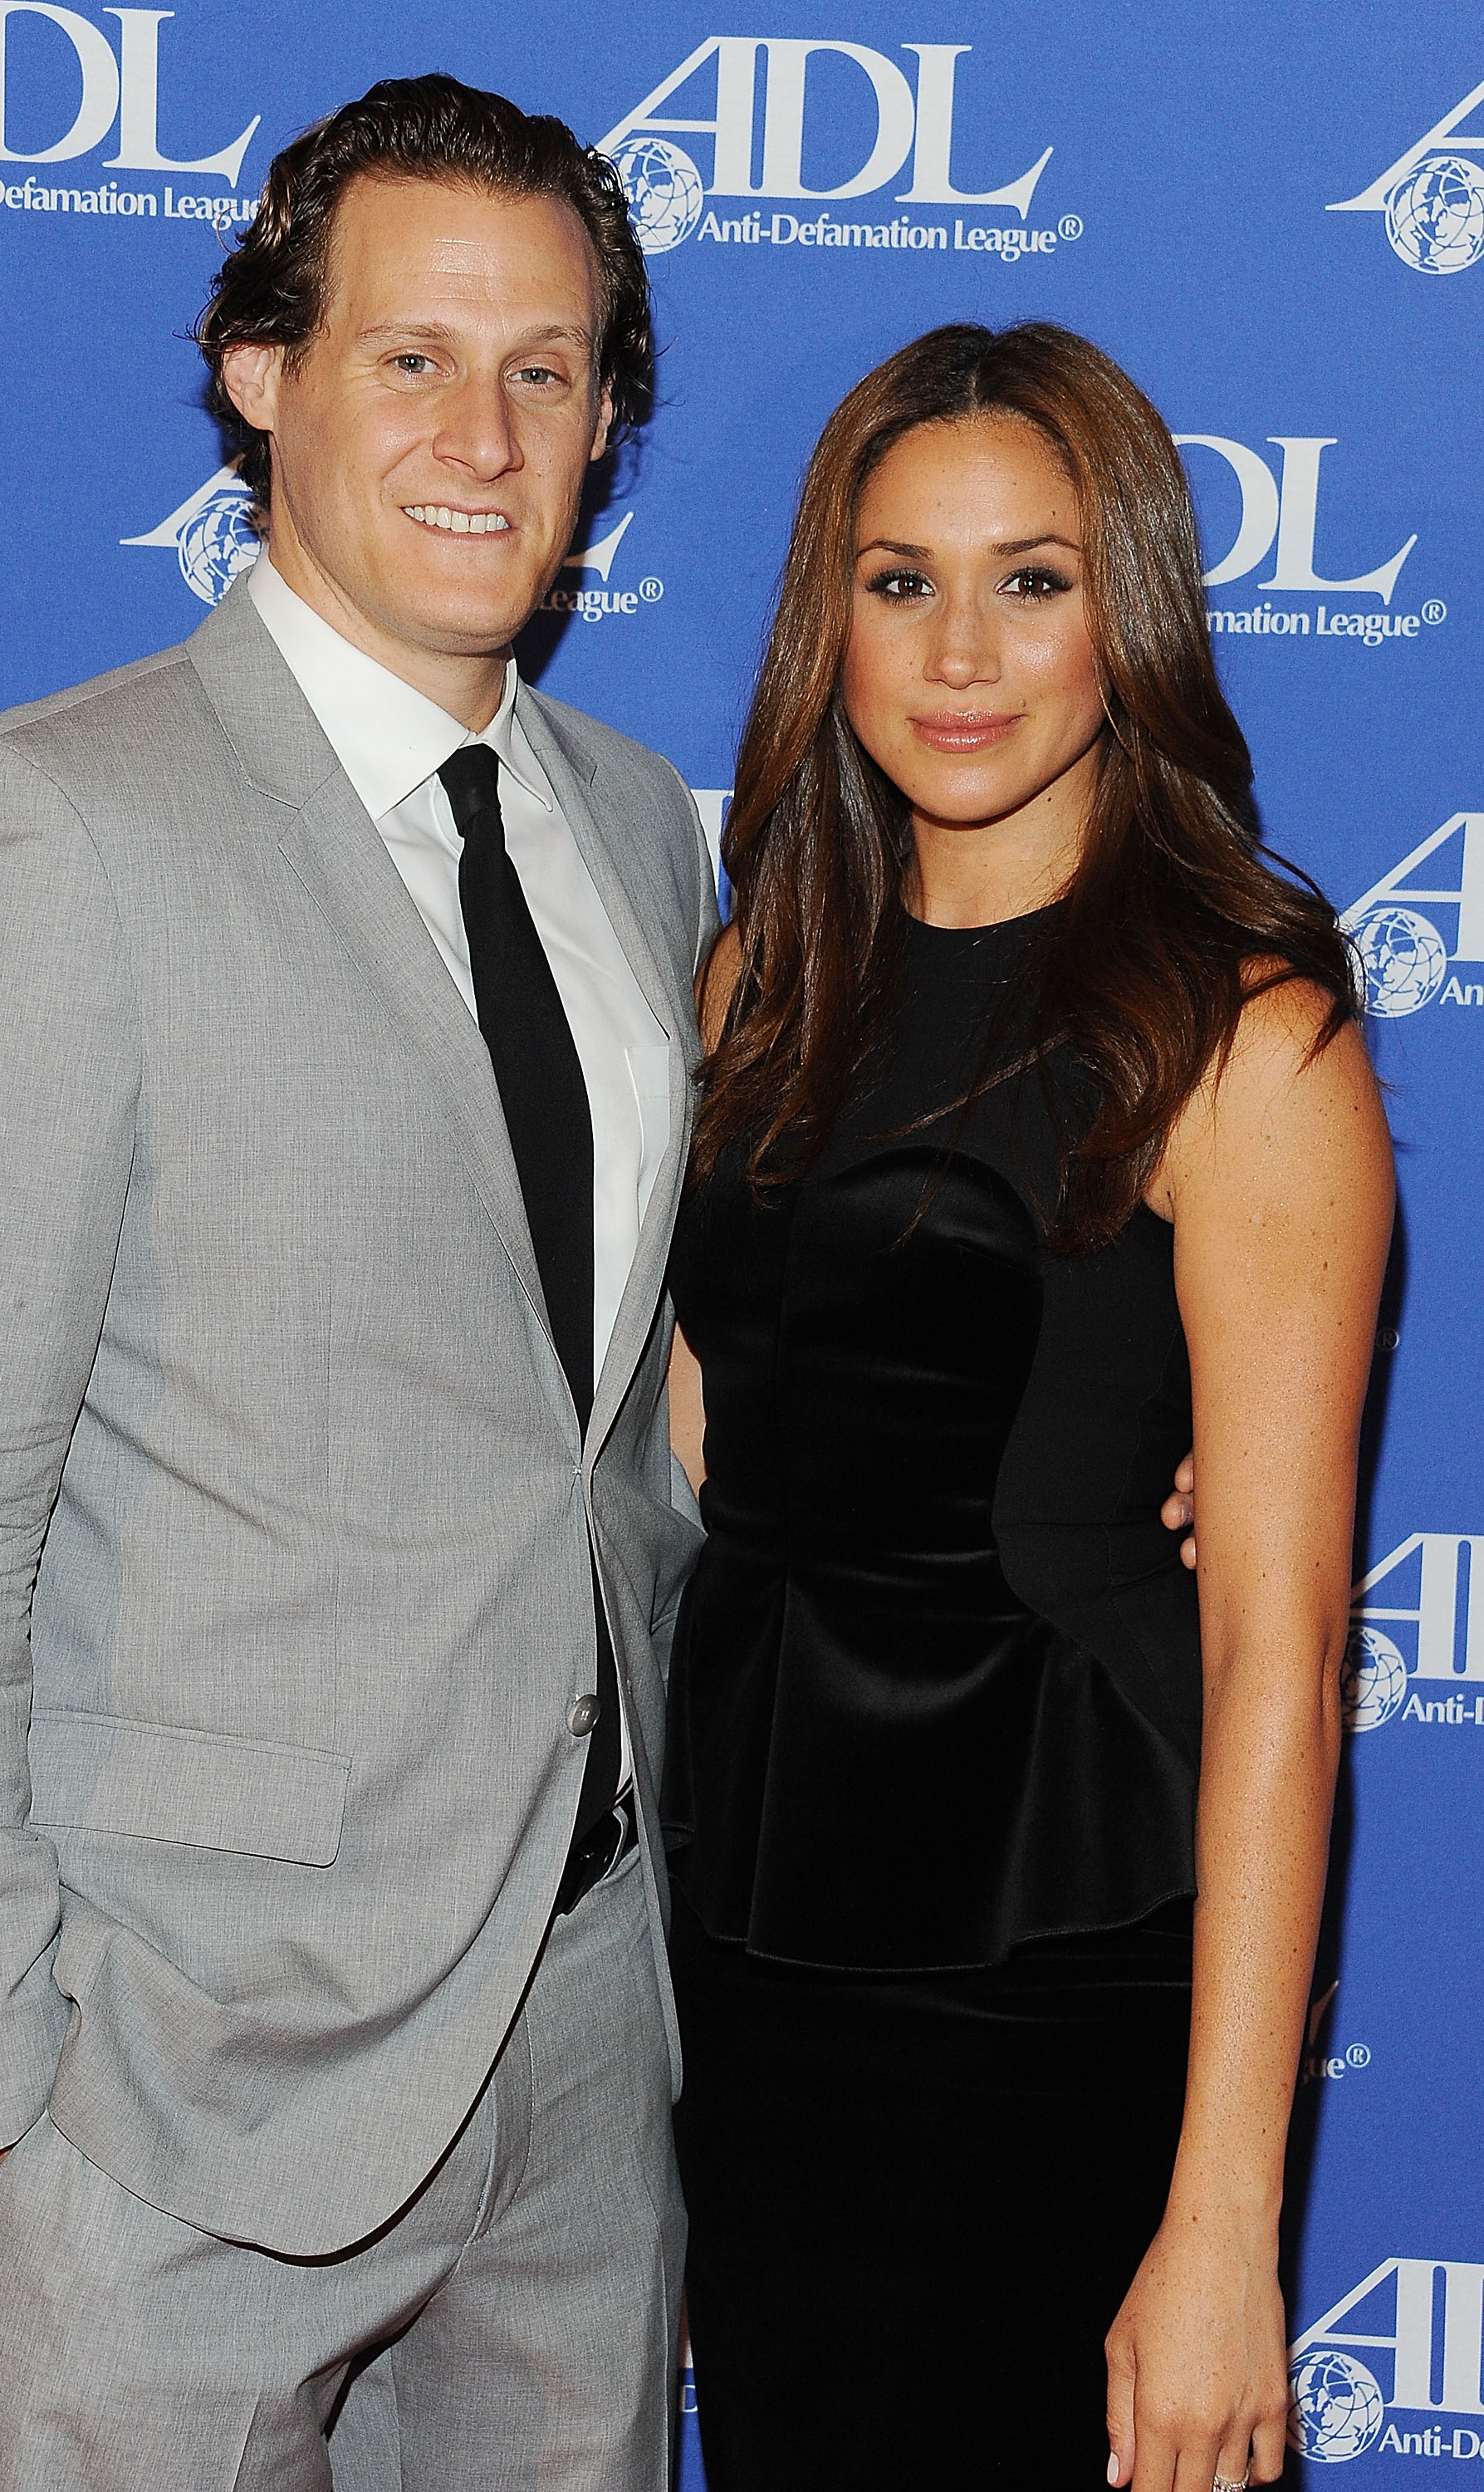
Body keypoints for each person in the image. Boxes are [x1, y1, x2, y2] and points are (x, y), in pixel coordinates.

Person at [0, 76, 721, 2492]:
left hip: (588, 2040)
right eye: (412, 357)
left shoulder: (634, 826)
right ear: (260, 374)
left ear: (609, 417)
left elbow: (621, 1407)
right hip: (172, 2082)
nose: (487, 434)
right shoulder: (53, 829)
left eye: (550, 368)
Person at [663, 322, 1393, 2492]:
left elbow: (1279, 1664)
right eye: (900, 581)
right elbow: (699, 1451)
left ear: (1131, 614)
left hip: (1063, 1957)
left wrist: (1225, 2227)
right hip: (756, 1942)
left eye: (1033, 579)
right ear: (831, 615)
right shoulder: (755, 986)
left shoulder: (1243, 1034)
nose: (960, 652)